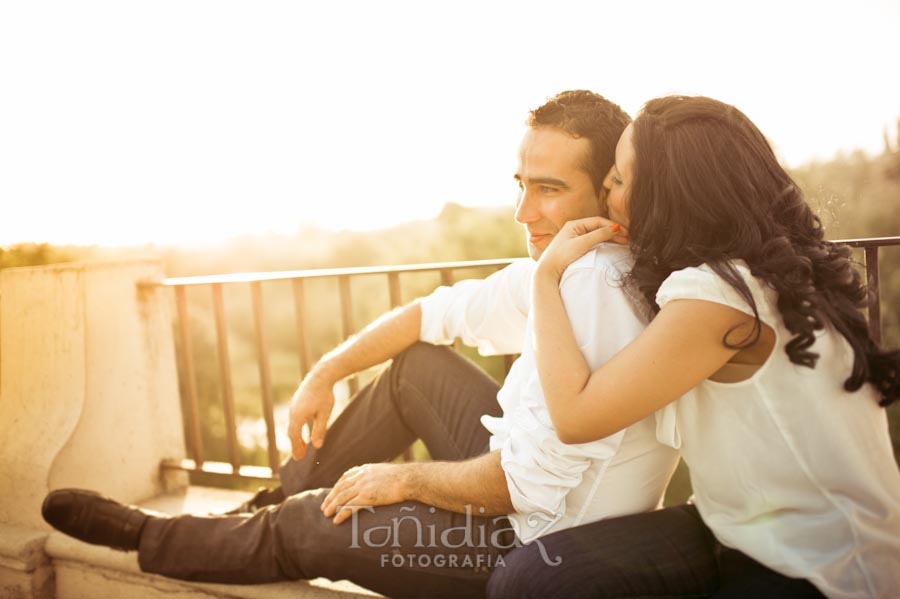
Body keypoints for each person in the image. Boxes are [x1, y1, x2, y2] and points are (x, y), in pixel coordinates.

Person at [42, 90, 680, 599]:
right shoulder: (566, 267)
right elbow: (433, 314)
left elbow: (522, 489)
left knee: (314, 525)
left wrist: (404, 479)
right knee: (416, 369)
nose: (522, 212)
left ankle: (152, 534)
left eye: (548, 189)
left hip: (539, 543)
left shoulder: (596, 287)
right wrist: (326, 370)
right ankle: (259, 506)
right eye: (521, 183)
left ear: (607, 192)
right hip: (520, 483)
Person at [488, 95, 900, 599]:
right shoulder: (774, 269)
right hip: (734, 524)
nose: (607, 194)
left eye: (617, 180)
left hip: (817, 565)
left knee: (530, 582)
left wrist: (547, 277)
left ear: (667, 195)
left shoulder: (718, 295)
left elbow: (575, 419)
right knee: (536, 576)